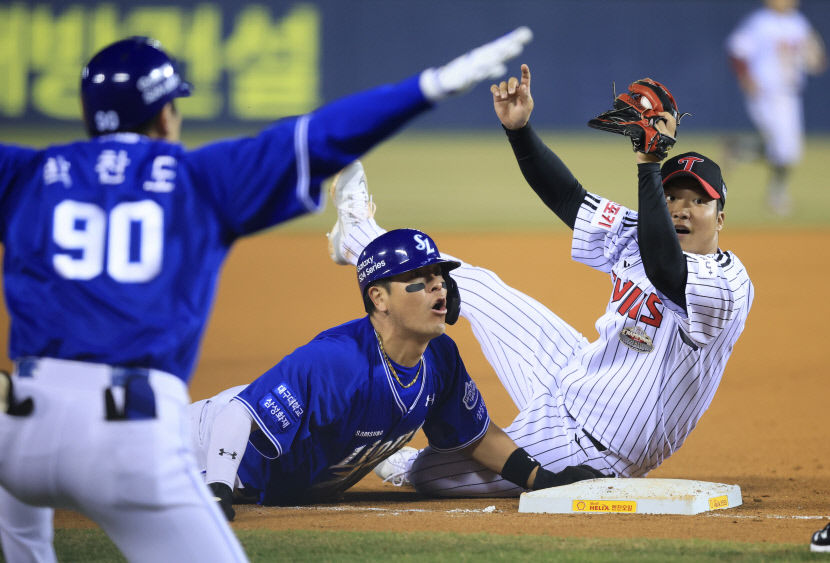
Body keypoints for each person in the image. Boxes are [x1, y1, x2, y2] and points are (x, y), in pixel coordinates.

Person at [0, 29, 534, 561]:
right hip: (128, 435)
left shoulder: (26, 173)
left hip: (20, 426)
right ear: (166, 117)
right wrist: (429, 86)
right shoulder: (198, 179)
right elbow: (324, 136)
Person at [327, 64, 754, 497]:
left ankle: (412, 464)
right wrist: (520, 130)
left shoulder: (728, 284)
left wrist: (649, 164)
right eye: (672, 196)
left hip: (595, 447)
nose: (682, 208)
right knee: (477, 286)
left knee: (433, 476)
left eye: (698, 200)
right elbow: (568, 196)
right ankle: (357, 236)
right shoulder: (640, 232)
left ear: (720, 216)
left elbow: (667, 270)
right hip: (572, 372)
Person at [191, 227, 604, 519]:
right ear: (379, 298)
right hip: (198, 449)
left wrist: (540, 477)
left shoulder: (439, 355)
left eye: (439, 278)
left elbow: (477, 437)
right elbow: (238, 413)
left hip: (284, 477)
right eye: (419, 281)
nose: (439, 288)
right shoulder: (337, 361)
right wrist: (219, 489)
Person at [725, 0, 827, 215]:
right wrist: (745, 78)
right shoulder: (760, 22)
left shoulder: (799, 23)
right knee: (785, 147)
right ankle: (777, 195)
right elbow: (737, 49)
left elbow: (813, 55)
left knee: (788, 149)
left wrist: (814, 59)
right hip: (765, 92)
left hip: (789, 93)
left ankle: (740, 149)